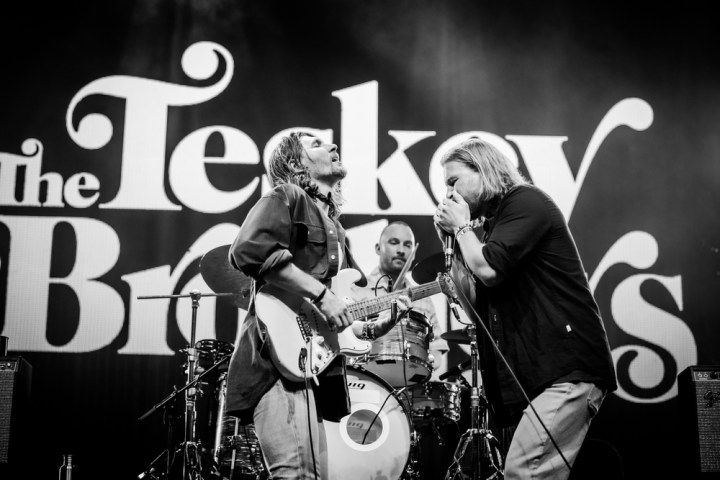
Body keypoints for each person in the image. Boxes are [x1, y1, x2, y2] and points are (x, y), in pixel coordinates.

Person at [225, 131, 407, 479]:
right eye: (317, 145)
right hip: (276, 362)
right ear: (296, 163)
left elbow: (340, 313)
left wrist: (373, 327)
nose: (333, 145)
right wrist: (322, 296)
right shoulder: (286, 195)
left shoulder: (337, 229)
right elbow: (248, 250)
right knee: (294, 475)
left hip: (317, 367)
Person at [433, 138, 617, 480]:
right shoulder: (489, 229)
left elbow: (488, 269)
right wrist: (456, 248)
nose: (448, 194)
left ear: (483, 170)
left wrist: (460, 228)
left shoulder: (526, 202)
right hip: (537, 379)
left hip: (566, 369)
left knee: (523, 472)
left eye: (453, 181)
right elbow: (475, 308)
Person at [350, 221, 448, 386]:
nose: (401, 250)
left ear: (413, 253)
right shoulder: (356, 290)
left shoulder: (423, 300)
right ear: (378, 248)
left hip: (408, 387)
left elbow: (437, 347)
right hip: (364, 382)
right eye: (394, 242)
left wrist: (425, 361)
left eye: (407, 245)